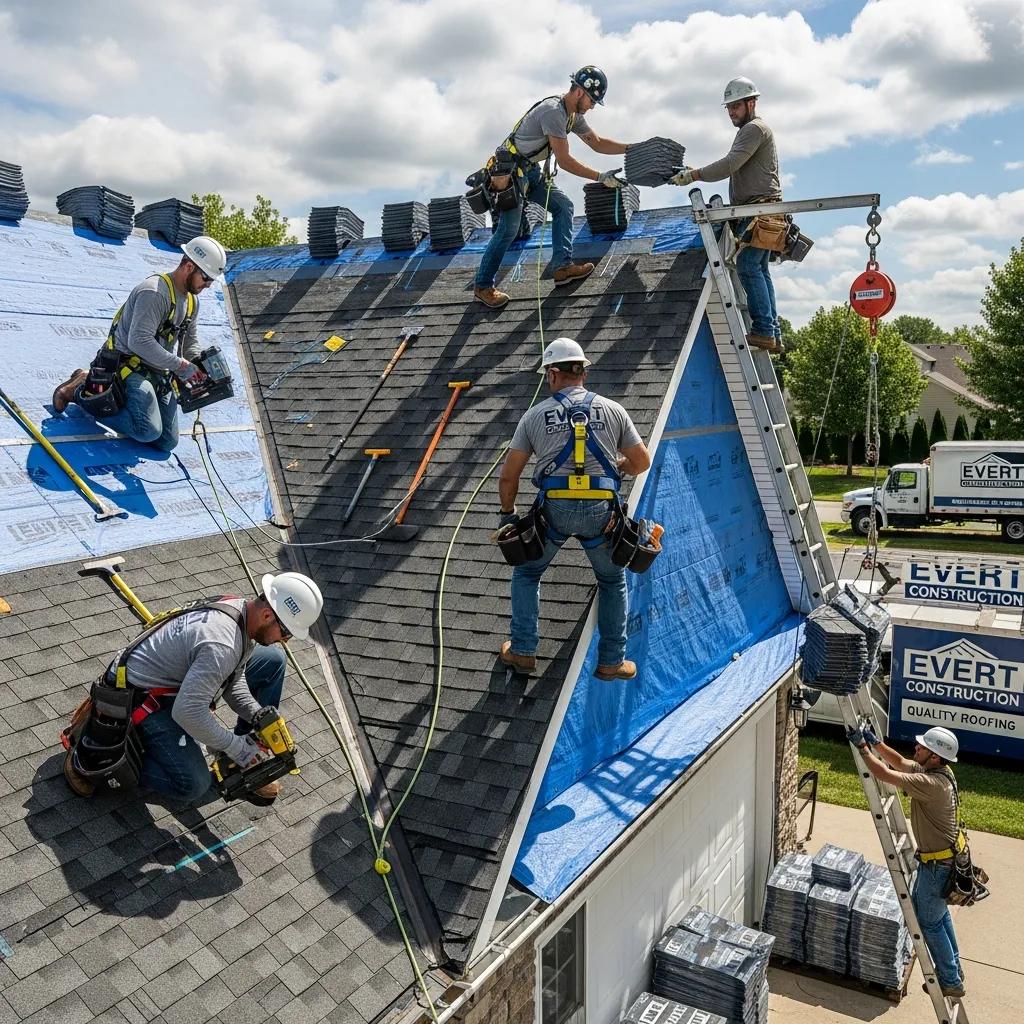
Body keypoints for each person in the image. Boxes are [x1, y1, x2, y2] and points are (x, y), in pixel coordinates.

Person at [63, 571, 323, 805]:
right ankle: (101, 758)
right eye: (286, 633)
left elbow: (234, 676)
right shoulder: (222, 644)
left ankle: (243, 758)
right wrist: (235, 746)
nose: (286, 640)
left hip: (175, 684)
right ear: (268, 615)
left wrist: (257, 715)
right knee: (194, 784)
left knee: (273, 661)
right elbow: (187, 712)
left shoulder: (244, 613)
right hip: (137, 700)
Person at [497, 337, 651, 680]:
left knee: (526, 572)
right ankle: (612, 661)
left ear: (553, 374)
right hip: (601, 514)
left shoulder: (534, 416)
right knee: (612, 580)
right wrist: (620, 466)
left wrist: (508, 516)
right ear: (582, 371)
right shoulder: (614, 410)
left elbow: (508, 478)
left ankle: (523, 651)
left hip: (553, 513)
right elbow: (641, 462)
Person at [474, 66, 632, 310]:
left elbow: (597, 143)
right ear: (579, 92)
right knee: (509, 228)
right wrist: (601, 177)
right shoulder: (553, 113)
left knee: (563, 206)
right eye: (592, 100)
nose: (592, 106)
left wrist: (632, 148)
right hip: (512, 173)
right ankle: (483, 286)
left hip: (531, 171)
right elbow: (566, 161)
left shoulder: (572, 115)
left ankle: (562, 268)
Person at [52, 235, 228, 451]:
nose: (209, 285)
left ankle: (120, 400)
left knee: (167, 441)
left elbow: (190, 341)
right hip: (127, 365)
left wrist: (200, 365)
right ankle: (82, 390)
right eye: (206, 278)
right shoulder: (154, 292)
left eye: (211, 280)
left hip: (157, 369)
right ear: (189, 266)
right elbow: (139, 342)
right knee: (147, 430)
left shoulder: (192, 300)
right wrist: (181, 366)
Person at [847, 723, 967, 997]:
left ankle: (950, 979)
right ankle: (954, 971)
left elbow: (884, 773)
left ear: (934, 756)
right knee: (939, 918)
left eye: (922, 747)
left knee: (930, 922)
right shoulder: (939, 771)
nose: (916, 749)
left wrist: (862, 748)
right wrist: (876, 743)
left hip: (938, 866)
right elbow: (900, 762)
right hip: (940, 861)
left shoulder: (931, 783)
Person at [671, 77, 783, 352]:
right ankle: (772, 331)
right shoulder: (752, 130)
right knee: (758, 268)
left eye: (735, 106)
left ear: (751, 103)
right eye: (729, 107)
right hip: (762, 209)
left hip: (760, 209)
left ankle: (765, 330)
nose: (731, 112)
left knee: (748, 266)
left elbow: (731, 164)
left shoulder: (754, 129)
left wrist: (695, 175)